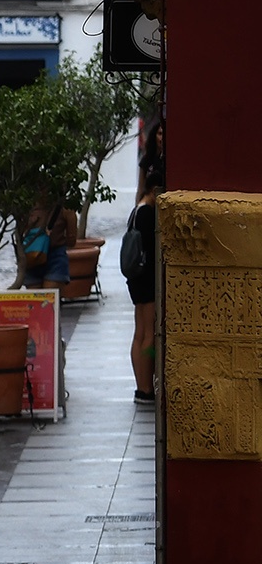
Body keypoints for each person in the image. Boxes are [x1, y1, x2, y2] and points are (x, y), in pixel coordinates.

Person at [123, 174, 160, 406]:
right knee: (149, 334)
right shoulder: (148, 213)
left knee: (140, 333)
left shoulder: (137, 210)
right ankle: (146, 387)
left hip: (136, 278)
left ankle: (141, 385)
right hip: (147, 279)